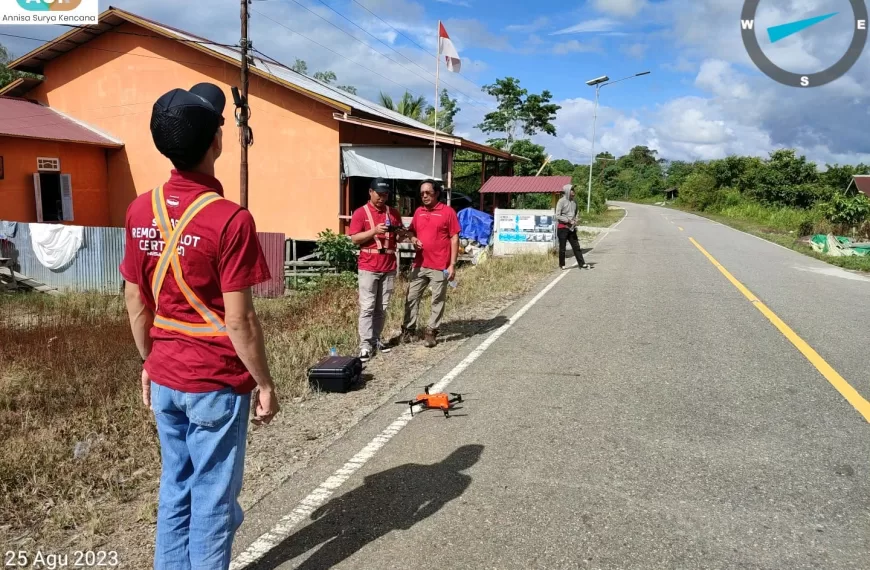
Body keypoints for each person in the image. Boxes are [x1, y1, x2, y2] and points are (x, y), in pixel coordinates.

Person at [119, 83, 280, 570]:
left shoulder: (139, 208)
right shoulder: (230, 220)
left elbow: (134, 299)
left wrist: (149, 360)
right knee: (212, 497)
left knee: (176, 487)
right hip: (214, 380)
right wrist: (265, 382)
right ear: (217, 141)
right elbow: (240, 317)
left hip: (166, 373)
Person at [348, 178, 409, 362]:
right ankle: (365, 345)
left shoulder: (393, 213)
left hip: (388, 265)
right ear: (370, 192)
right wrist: (374, 230)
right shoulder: (361, 213)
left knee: (381, 308)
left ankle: (376, 339)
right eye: (379, 194)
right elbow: (354, 239)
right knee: (367, 307)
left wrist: (400, 234)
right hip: (368, 265)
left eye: (385, 194)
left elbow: (398, 239)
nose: (382, 198)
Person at [401, 180, 461, 348]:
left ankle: (431, 331)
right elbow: (411, 230)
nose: (424, 196)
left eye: (428, 192)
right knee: (411, 297)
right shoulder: (419, 212)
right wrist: (413, 238)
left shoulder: (448, 212)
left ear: (436, 193)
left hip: (440, 265)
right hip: (420, 264)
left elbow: (454, 237)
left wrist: (452, 264)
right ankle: (408, 330)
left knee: (437, 299)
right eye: (421, 193)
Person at [555, 183, 590, 270]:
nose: (573, 192)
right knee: (562, 248)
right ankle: (562, 264)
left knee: (576, 246)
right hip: (563, 228)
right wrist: (568, 220)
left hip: (572, 228)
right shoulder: (561, 201)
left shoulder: (574, 202)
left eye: (574, 190)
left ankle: (582, 264)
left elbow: (577, 212)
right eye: (572, 190)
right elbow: (557, 215)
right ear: (567, 191)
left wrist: (576, 220)